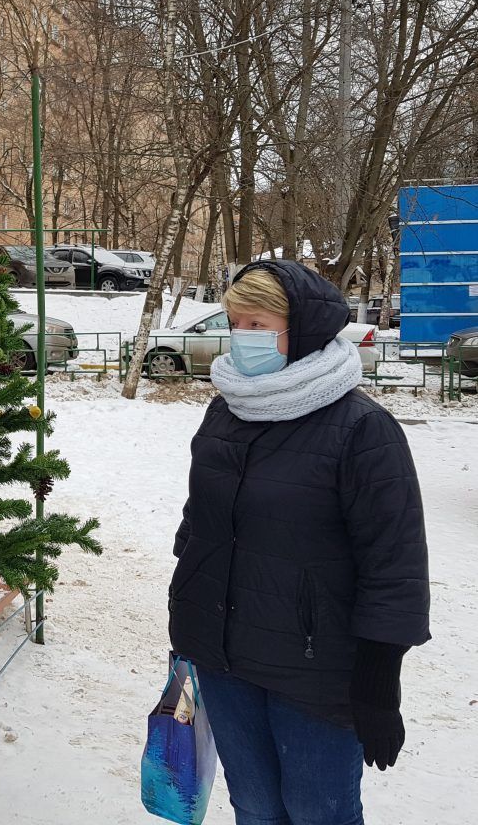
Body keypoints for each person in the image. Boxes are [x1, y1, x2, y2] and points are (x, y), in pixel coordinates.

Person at [168, 260, 430, 825]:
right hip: (223, 658)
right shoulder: (228, 408)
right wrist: (188, 605)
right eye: (235, 322)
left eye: (258, 324)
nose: (242, 337)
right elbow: (200, 522)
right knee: (256, 810)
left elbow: (394, 564)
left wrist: (380, 680)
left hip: (315, 669)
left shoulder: (362, 429)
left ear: (304, 329)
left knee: (319, 815)